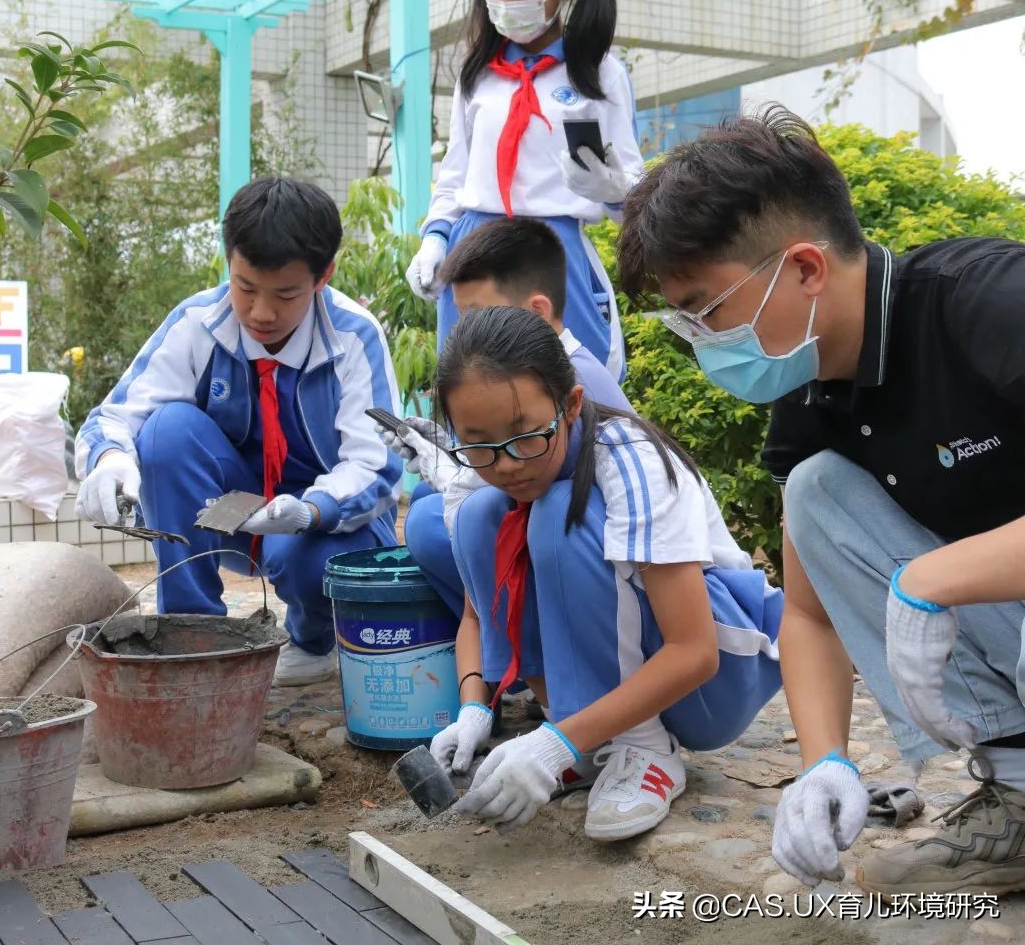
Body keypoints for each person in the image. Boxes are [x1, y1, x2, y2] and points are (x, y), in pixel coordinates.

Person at [617, 105, 1025, 894]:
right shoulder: (810, 398)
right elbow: (804, 613)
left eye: (705, 311)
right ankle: (1018, 794)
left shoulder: (990, 306)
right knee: (816, 490)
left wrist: (933, 581)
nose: (701, 341)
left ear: (804, 268)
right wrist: (825, 762)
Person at [428, 306, 783, 842]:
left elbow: (696, 650)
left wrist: (552, 746)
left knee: (556, 514)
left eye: (526, 436)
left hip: (716, 682)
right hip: (627, 688)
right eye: (479, 443)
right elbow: (477, 615)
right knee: (480, 518)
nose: (506, 464)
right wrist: (474, 710)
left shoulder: (633, 462)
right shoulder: (478, 480)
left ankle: (642, 748)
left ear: (571, 405)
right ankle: (587, 739)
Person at [74, 178, 403, 686]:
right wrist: (108, 461)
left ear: (323, 277)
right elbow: (117, 416)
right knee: (166, 432)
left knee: (303, 554)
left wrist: (312, 510)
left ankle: (314, 641)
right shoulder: (199, 322)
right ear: (229, 262)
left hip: (323, 530)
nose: (261, 312)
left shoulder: (355, 338)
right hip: (234, 515)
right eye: (245, 286)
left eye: (286, 294)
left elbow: (376, 466)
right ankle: (193, 632)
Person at [404, 0, 643, 382]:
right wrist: (434, 239)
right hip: (473, 251)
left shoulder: (598, 74)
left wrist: (614, 190)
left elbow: (635, 198)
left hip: (554, 255)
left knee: (577, 389)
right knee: (473, 387)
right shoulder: (477, 75)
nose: (506, 3)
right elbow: (454, 176)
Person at [395, 216, 630, 619]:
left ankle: (512, 645)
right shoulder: (556, 365)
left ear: (537, 311)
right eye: (460, 318)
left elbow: (522, 481)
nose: (467, 332)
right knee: (425, 498)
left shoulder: (570, 383)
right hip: (547, 522)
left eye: (477, 315)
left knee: (429, 522)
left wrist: (448, 469)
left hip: (586, 558)